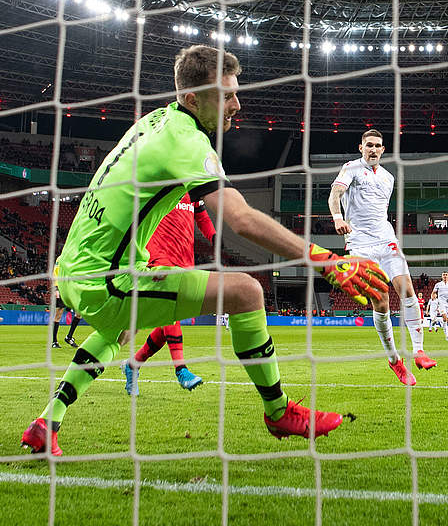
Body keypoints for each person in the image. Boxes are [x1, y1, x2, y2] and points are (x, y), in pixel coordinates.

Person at [20, 45, 386, 456]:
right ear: (194, 99)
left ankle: (45, 422)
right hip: (105, 280)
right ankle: (279, 411)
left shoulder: (155, 121)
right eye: (226, 95)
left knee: (117, 331)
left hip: (73, 268)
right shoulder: (187, 142)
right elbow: (242, 220)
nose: (237, 104)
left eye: (235, 92)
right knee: (246, 292)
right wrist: (327, 259)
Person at [329, 130, 436, 384]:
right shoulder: (351, 168)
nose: (373, 150)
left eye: (377, 146)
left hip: (386, 239)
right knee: (382, 300)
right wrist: (337, 217)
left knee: (407, 289)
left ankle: (419, 351)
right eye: (369, 145)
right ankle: (395, 362)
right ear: (361, 147)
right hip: (360, 243)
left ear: (383, 149)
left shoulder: (388, 177)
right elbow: (335, 194)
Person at [122, 196, 218, 395]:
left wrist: (214, 237)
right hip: (158, 257)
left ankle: (133, 364)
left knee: (168, 319)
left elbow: (201, 216)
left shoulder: (192, 188)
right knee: (168, 310)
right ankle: (181, 369)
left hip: (184, 260)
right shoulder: (163, 179)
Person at [430, 272, 448, 340]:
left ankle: (436, 320)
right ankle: (447, 336)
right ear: (442, 276)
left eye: (446, 275)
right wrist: (432, 297)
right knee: (444, 317)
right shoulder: (438, 284)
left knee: (447, 320)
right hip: (441, 303)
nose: (445, 276)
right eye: (443, 275)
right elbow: (433, 293)